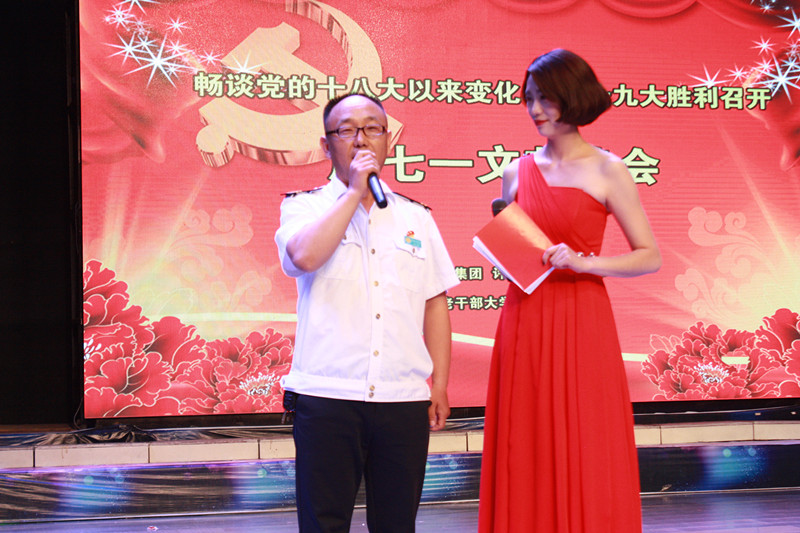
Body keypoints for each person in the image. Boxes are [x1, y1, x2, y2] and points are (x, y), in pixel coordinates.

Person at [478, 49, 662, 533]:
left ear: (574, 97)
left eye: (548, 98)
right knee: (524, 437)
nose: (536, 109)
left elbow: (649, 255)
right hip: (524, 314)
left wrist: (585, 262)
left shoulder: (608, 169)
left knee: (586, 434)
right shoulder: (516, 171)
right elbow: (515, 249)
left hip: (582, 317)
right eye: (529, 98)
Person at [274, 93, 459, 533]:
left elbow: (434, 301)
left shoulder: (415, 217)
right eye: (347, 130)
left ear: (387, 140)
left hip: (402, 399)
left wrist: (440, 384)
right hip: (327, 397)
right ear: (326, 145)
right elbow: (303, 257)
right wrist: (355, 191)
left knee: (397, 524)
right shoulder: (304, 206)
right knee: (324, 523)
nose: (361, 139)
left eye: (373, 128)